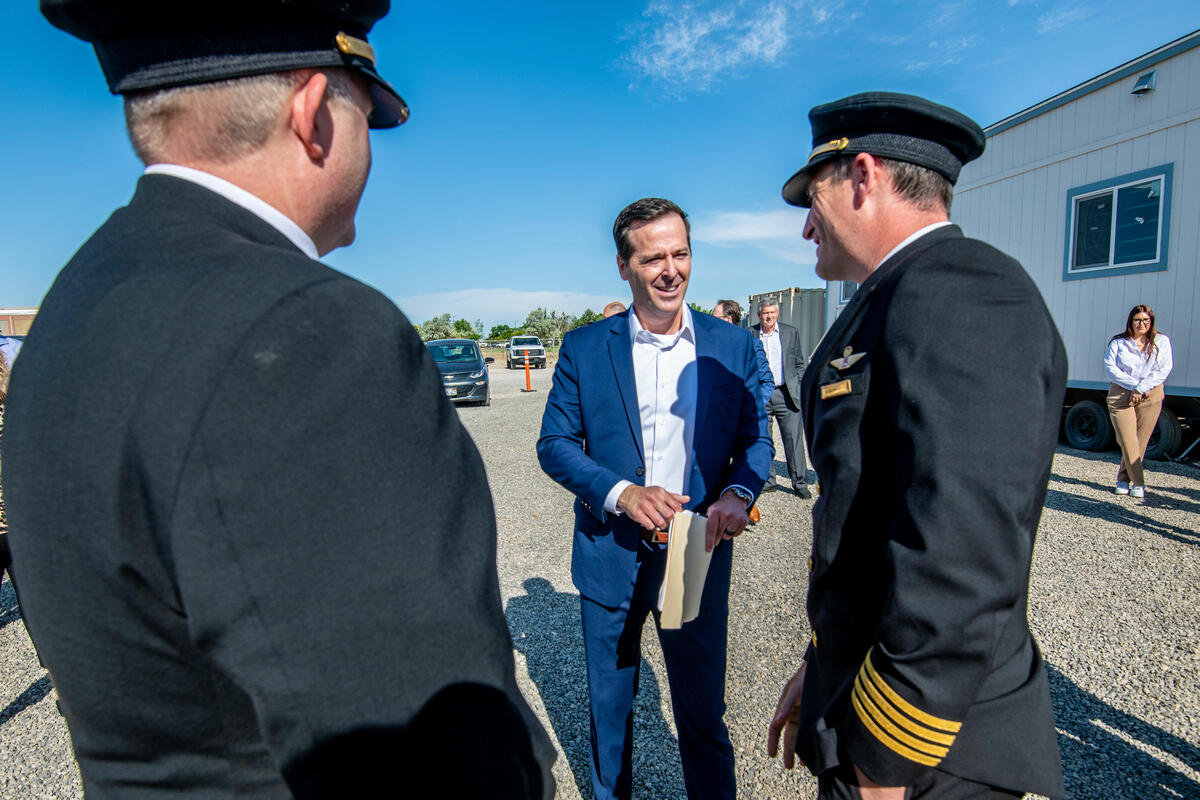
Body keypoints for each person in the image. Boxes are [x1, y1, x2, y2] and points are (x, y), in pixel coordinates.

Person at [5, 3, 553, 797]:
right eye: (368, 115)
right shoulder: (309, 330)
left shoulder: (76, 303)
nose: (370, 145)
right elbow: (426, 756)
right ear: (310, 113)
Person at [765, 92, 1067, 800]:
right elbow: (871, 526)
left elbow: (959, 559)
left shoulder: (962, 290)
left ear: (863, 176)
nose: (808, 227)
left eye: (813, 198)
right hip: (868, 708)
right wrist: (822, 663)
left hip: (929, 755)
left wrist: (884, 765)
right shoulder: (895, 295)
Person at [538, 198, 772, 800]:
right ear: (623, 265)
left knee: (700, 712)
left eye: (681, 253)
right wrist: (621, 492)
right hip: (609, 551)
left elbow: (754, 439)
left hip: (693, 551)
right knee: (610, 713)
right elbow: (554, 444)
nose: (671, 270)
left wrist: (738, 496)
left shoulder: (732, 345)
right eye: (653, 258)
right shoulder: (585, 347)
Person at [1104, 304, 1173, 498]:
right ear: (1130, 321)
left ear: (1151, 322)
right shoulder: (1118, 342)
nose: (1141, 323)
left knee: (1140, 442)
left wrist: (1141, 388)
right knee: (1127, 440)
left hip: (1150, 393)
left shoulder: (1161, 341)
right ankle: (1139, 482)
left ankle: (1123, 479)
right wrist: (1134, 385)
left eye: (1145, 320)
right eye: (1137, 320)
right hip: (1121, 394)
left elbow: (1163, 369)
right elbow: (1111, 368)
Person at [753, 299, 812, 497]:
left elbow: (799, 363)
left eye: (772, 312)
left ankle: (800, 483)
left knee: (793, 440)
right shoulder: (751, 334)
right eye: (765, 313)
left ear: (777, 313)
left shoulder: (790, 332)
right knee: (764, 439)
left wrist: (798, 386)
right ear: (759, 315)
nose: (769, 316)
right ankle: (769, 481)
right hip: (762, 393)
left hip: (786, 393)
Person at [712, 299, 774, 409]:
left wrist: (754, 407)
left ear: (728, 320)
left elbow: (766, 381)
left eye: (715, 318)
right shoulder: (709, 344)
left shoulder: (751, 345)